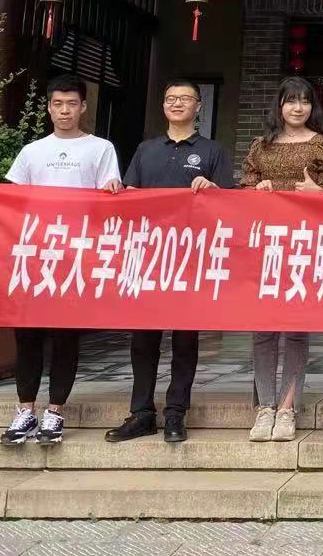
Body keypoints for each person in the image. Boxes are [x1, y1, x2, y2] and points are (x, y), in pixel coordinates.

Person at [0, 74, 121, 446]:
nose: (65, 111)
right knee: (27, 335)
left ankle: (54, 412)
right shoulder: (32, 151)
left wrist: (114, 190)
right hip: (35, 253)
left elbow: (109, 199)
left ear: (83, 107)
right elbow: (12, 201)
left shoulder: (101, 149)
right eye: (58, 104)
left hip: (75, 255)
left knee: (66, 336)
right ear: (49, 108)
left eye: (72, 104)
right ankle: (24, 411)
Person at [105, 78, 233, 446]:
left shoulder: (212, 151)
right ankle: (141, 413)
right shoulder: (146, 150)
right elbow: (131, 197)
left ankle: (177, 411)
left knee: (185, 339)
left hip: (190, 257)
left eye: (184, 98)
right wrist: (117, 191)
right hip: (148, 255)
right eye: (170, 98)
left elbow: (230, 203)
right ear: (163, 105)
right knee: (143, 338)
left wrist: (213, 190)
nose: (176, 104)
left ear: (198, 106)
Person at [239, 76, 323, 442]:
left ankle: (287, 407)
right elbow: (243, 190)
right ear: (279, 105)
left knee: (296, 328)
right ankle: (264, 407)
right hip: (266, 244)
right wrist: (257, 189)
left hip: (303, 244)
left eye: (305, 101)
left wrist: (318, 192)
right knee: (263, 328)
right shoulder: (260, 146)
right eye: (291, 101)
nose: (298, 108)